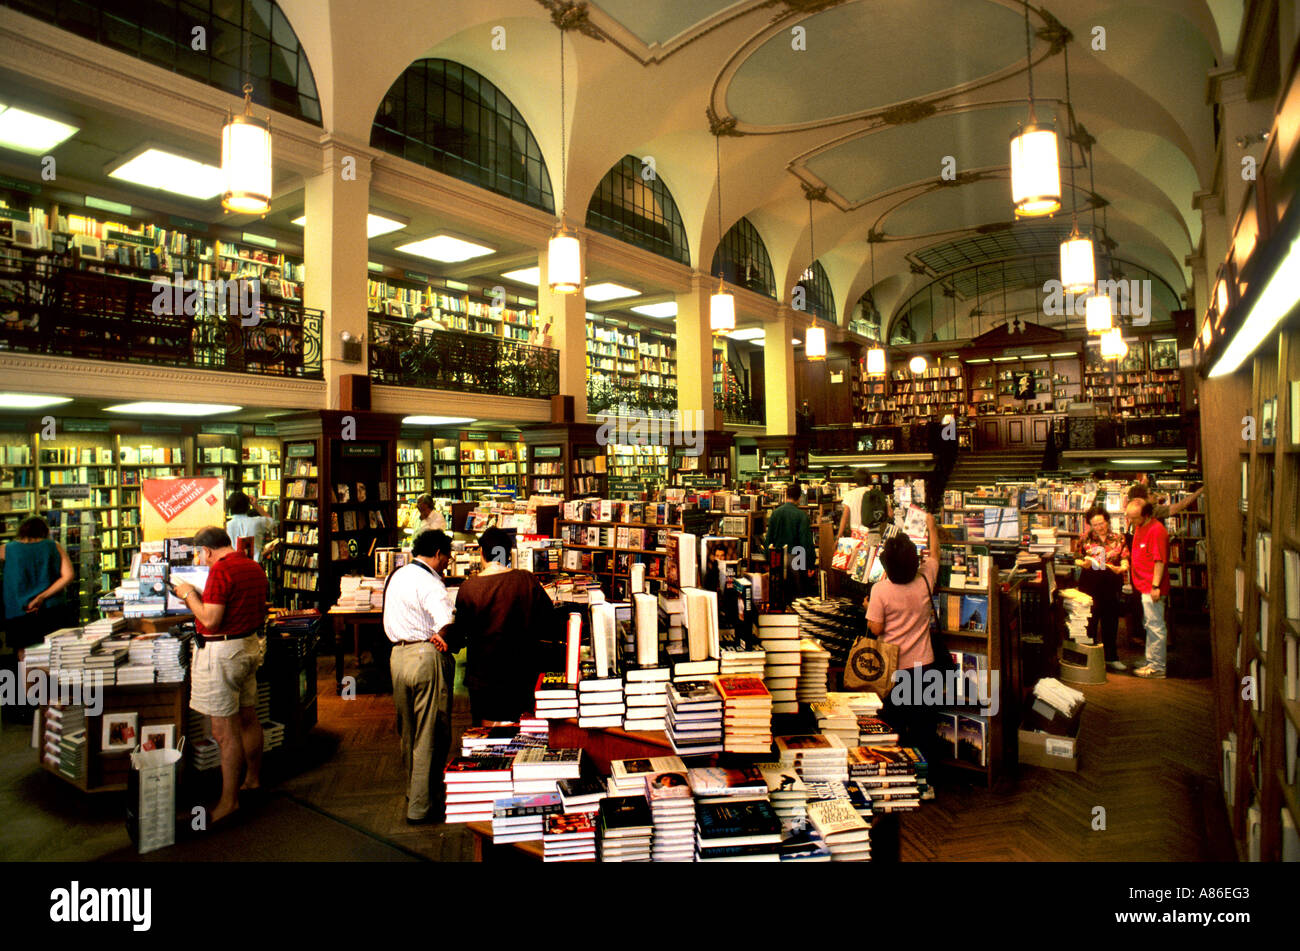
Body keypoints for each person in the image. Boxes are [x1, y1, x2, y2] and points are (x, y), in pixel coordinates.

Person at [170, 526, 268, 822]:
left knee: (224, 732)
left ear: (207, 550)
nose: (201, 560)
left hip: (222, 653)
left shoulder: (221, 571)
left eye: (200, 554)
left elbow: (211, 620)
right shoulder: (253, 566)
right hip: (249, 645)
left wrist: (188, 595)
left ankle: (229, 800)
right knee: (249, 717)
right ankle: (252, 779)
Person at [382, 529, 456, 824]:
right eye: (447, 557)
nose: (447, 563)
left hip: (398, 657)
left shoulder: (397, 576)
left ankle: (415, 794)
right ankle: (422, 807)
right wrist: (442, 636)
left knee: (408, 732)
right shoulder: (431, 582)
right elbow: (445, 621)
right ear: (438, 553)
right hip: (425, 657)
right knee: (430, 733)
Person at [454, 527, 555, 724]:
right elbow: (548, 620)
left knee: (484, 736)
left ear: (481, 553)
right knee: (523, 730)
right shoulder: (526, 580)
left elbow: (461, 633)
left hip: (483, 678)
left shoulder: (469, 588)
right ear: (509, 554)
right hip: (522, 674)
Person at [864, 512, 941, 748]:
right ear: (914, 560)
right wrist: (931, 526)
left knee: (893, 727)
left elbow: (876, 628)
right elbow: (936, 553)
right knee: (924, 727)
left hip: (893, 669)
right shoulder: (925, 580)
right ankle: (927, 779)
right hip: (925, 667)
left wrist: (868, 607)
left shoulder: (880, 590)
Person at [1, 516, 74, 652]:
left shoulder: (7, 549)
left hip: (19, 609)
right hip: (51, 608)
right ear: (44, 530)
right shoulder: (53, 546)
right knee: (55, 652)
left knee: (24, 655)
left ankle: (27, 673)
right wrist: (41, 597)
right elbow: (68, 575)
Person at [1073, 506, 1129, 672]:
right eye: (1095, 524)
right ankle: (1088, 657)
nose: (1099, 527)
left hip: (1112, 582)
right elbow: (1076, 558)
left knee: (1110, 622)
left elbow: (1125, 557)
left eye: (1101, 523)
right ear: (1090, 524)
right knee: (1089, 621)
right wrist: (1084, 563)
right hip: (1090, 582)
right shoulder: (1085, 538)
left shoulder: (1118, 538)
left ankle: (1111, 658)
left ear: (1107, 520)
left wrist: (1123, 568)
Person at [1125, 499, 1170, 679]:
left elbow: (1160, 560)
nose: (1130, 521)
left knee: (1155, 626)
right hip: (1143, 584)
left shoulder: (1157, 530)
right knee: (1149, 624)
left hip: (1152, 585)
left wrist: (1155, 586)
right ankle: (1151, 661)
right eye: (1129, 516)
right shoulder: (1140, 526)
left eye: (1134, 518)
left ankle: (1157, 667)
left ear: (1146, 515)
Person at [766, 483, 817, 593]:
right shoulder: (802, 516)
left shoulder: (775, 513)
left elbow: (769, 539)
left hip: (777, 558)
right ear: (799, 498)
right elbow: (806, 542)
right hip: (797, 558)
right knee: (797, 594)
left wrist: (768, 559)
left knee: (778, 592)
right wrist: (810, 564)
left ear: (786, 495)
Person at [225, 490, 276, 563]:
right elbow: (272, 522)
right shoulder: (257, 522)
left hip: (233, 565)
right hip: (254, 565)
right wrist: (256, 505)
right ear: (248, 506)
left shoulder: (226, 526)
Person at [839, 471, 891, 538]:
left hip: (856, 534)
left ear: (856, 481)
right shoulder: (876, 494)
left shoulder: (849, 495)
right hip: (874, 533)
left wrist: (839, 536)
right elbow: (890, 513)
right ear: (869, 481)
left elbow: (845, 517)